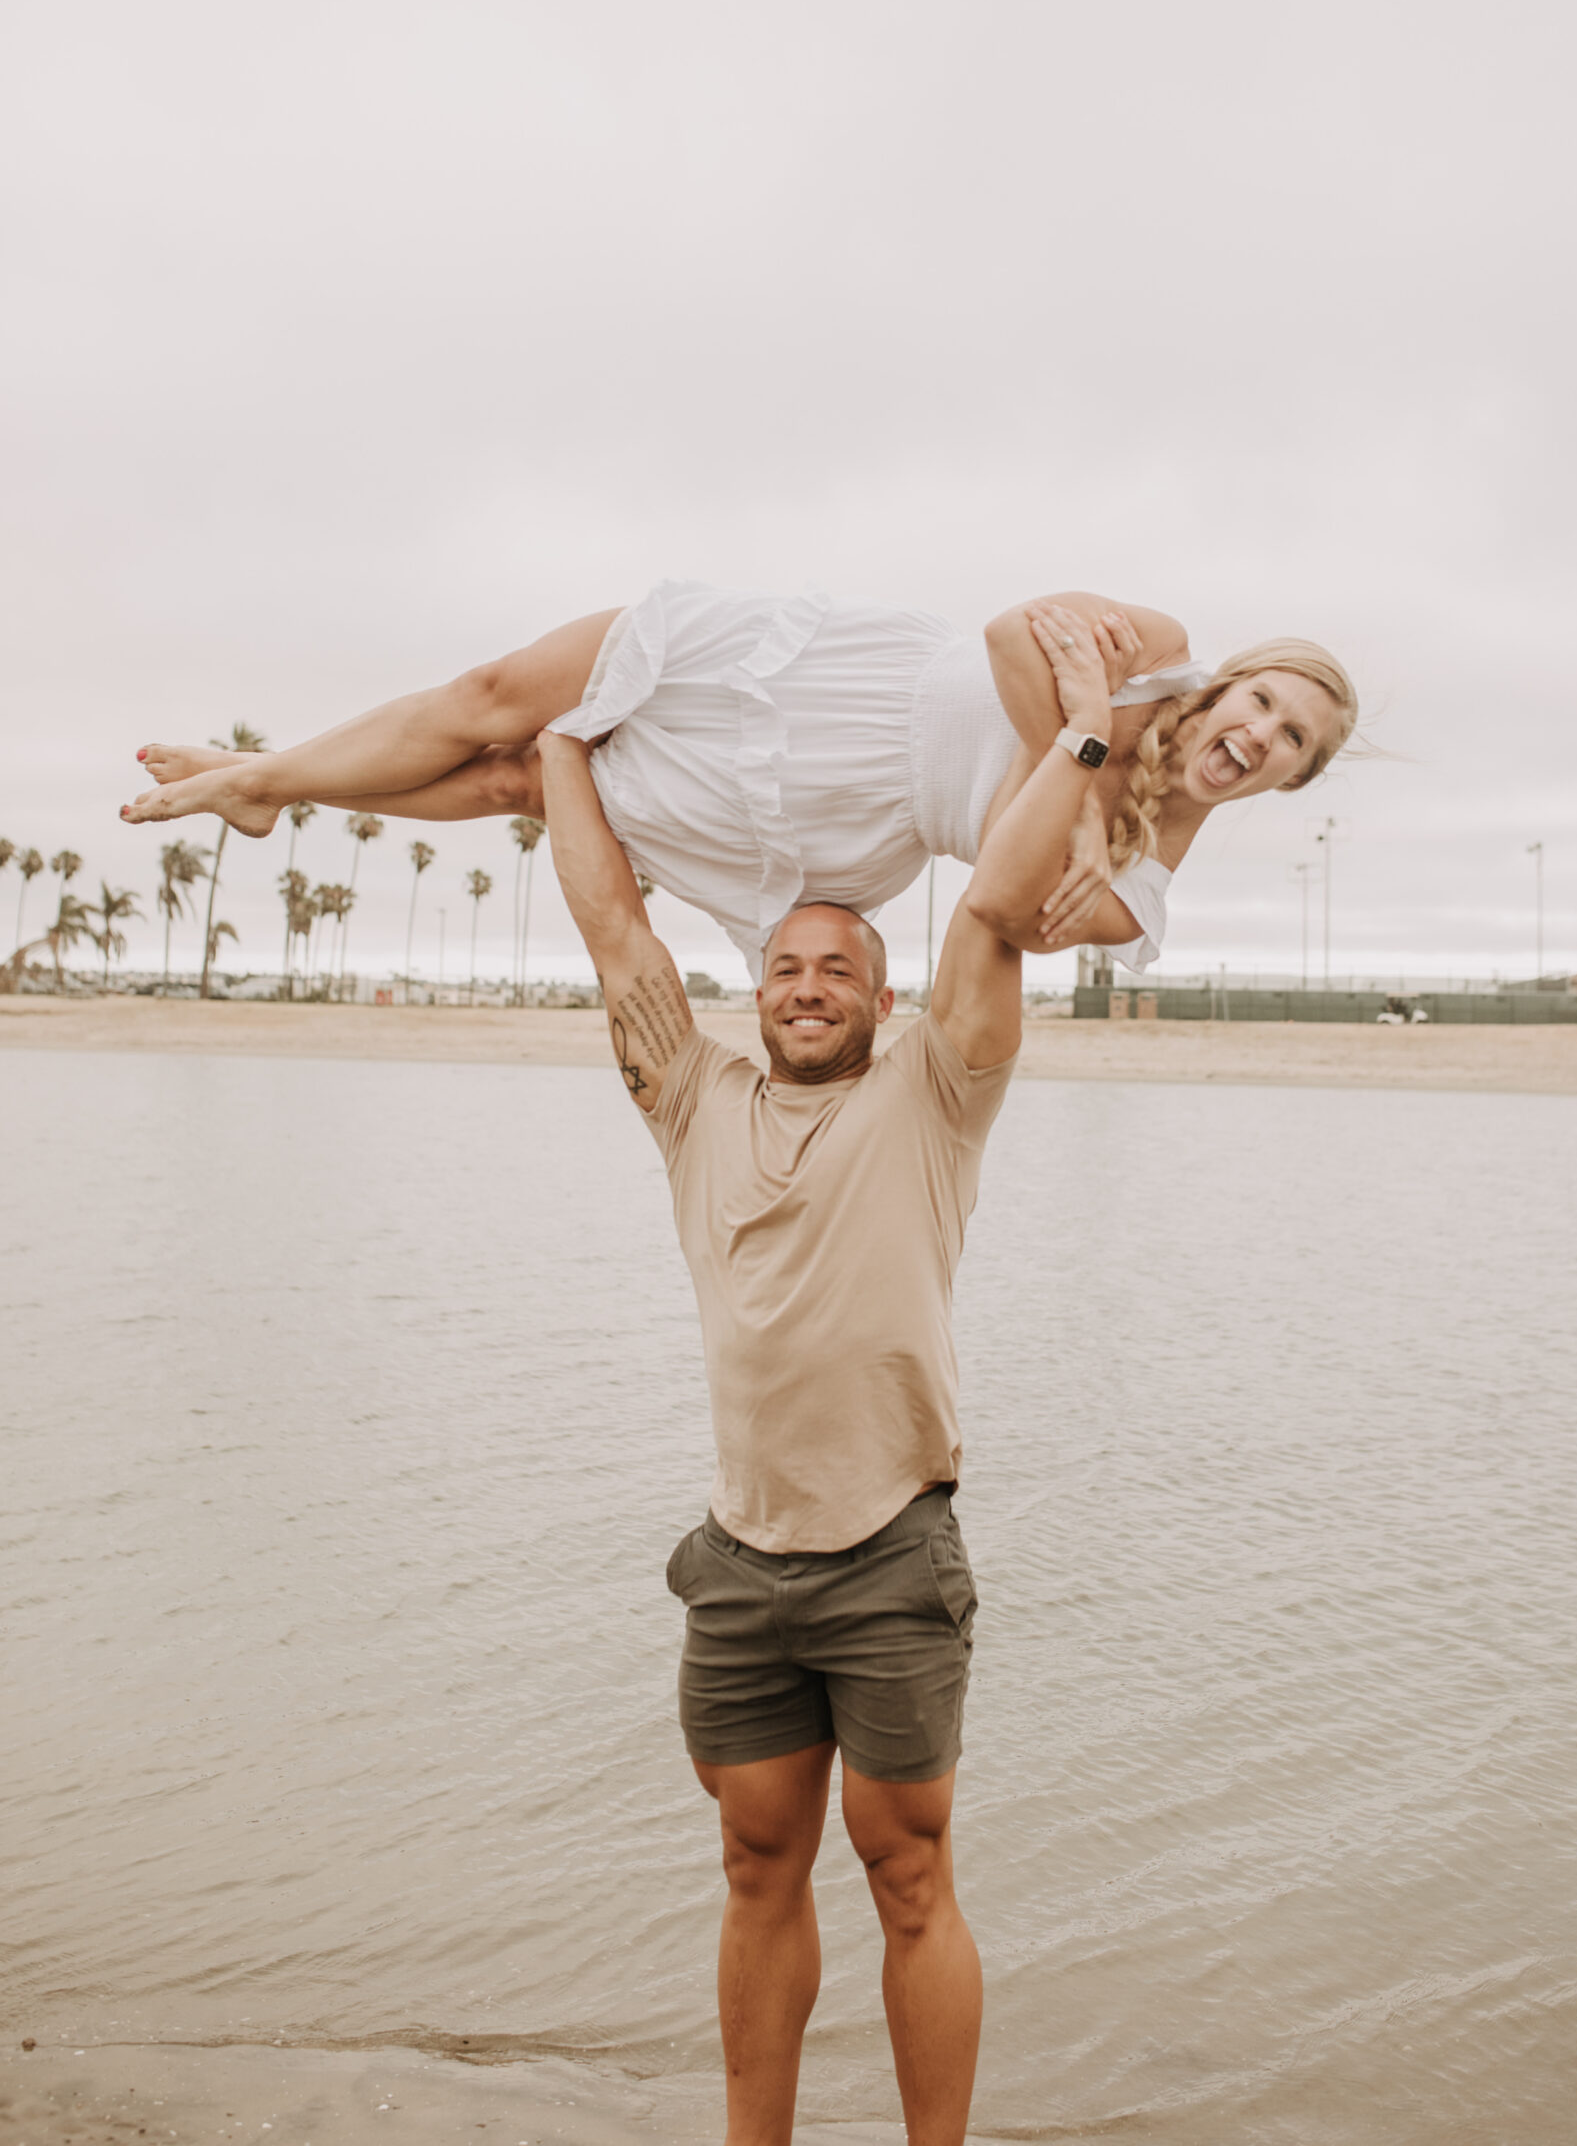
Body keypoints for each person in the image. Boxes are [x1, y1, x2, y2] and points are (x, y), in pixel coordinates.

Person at [535, 611, 1121, 2146]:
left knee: (908, 1872)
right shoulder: (689, 1096)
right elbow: (615, 934)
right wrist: (556, 757)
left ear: (876, 997)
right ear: (756, 991)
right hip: (738, 1563)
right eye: (785, 966)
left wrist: (1082, 732)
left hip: (888, 1553)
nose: (806, 984)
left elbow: (991, 914)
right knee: (751, 1867)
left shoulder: (935, 1092)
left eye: (837, 968)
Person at [120, 579, 1357, 974]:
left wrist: (1071, 764)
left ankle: (272, 781)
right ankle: (265, 775)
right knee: (497, 698)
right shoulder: (1155, 652)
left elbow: (1021, 916)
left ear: (1288, 782)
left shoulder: (1151, 889)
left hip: (847, 809)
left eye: (1290, 741)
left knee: (518, 783)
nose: (1258, 732)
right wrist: (1081, 772)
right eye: (1265, 700)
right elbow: (1005, 635)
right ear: (1235, 679)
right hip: (824, 668)